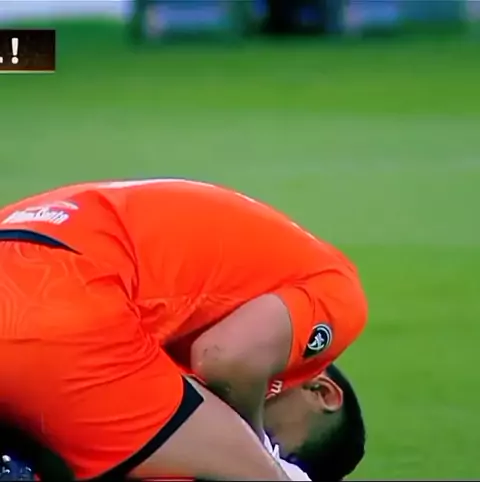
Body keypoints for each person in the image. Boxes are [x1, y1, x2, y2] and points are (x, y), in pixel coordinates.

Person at [0, 178, 368, 480]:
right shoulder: (340, 292)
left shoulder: (252, 272)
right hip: (64, 298)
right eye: (275, 440)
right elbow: (227, 358)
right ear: (322, 393)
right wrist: (258, 452)